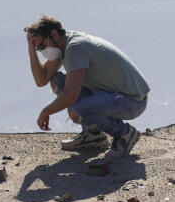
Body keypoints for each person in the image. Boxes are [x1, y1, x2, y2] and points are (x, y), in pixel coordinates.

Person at [25, 16, 150, 157]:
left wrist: (45, 112)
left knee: (78, 108)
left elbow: (71, 95)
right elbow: (42, 80)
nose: (42, 51)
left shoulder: (75, 48)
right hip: (112, 95)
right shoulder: (62, 45)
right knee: (56, 80)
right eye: (38, 49)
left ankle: (125, 134)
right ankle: (94, 135)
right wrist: (31, 49)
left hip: (132, 100)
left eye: (41, 46)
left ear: (53, 34)